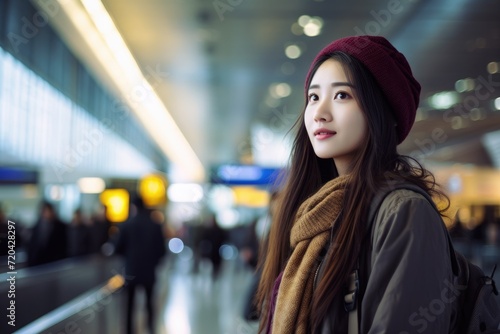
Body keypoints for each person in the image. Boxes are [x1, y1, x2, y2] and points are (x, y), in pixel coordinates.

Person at [256, 35, 455, 333]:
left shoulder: (404, 213)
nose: (320, 113)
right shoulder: (312, 212)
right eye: (313, 97)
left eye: (341, 96)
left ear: (381, 110)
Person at [114, 195, 166, 334]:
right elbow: (161, 251)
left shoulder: (127, 225)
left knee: (129, 305)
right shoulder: (155, 225)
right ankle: (151, 328)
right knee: (149, 303)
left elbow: (117, 248)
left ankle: (129, 330)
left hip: (131, 271)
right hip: (149, 272)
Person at [27, 201, 68, 267]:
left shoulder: (60, 226)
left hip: (54, 262)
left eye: (49, 211)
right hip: (38, 262)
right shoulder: (37, 226)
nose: (47, 213)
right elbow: (33, 245)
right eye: (45, 211)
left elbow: (62, 245)